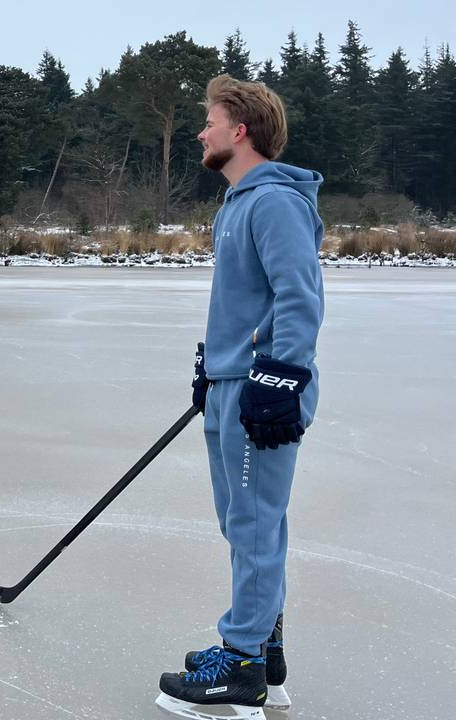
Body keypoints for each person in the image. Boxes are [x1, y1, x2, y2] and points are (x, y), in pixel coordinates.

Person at [156, 75, 323, 720]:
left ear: (241, 130)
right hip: (233, 384)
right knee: (244, 522)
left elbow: (299, 298)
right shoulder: (236, 204)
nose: (201, 132)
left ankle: (243, 662)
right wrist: (214, 365)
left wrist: (279, 378)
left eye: (210, 121)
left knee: (254, 524)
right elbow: (243, 302)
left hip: (263, 391)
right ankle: (264, 644)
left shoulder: (274, 203)